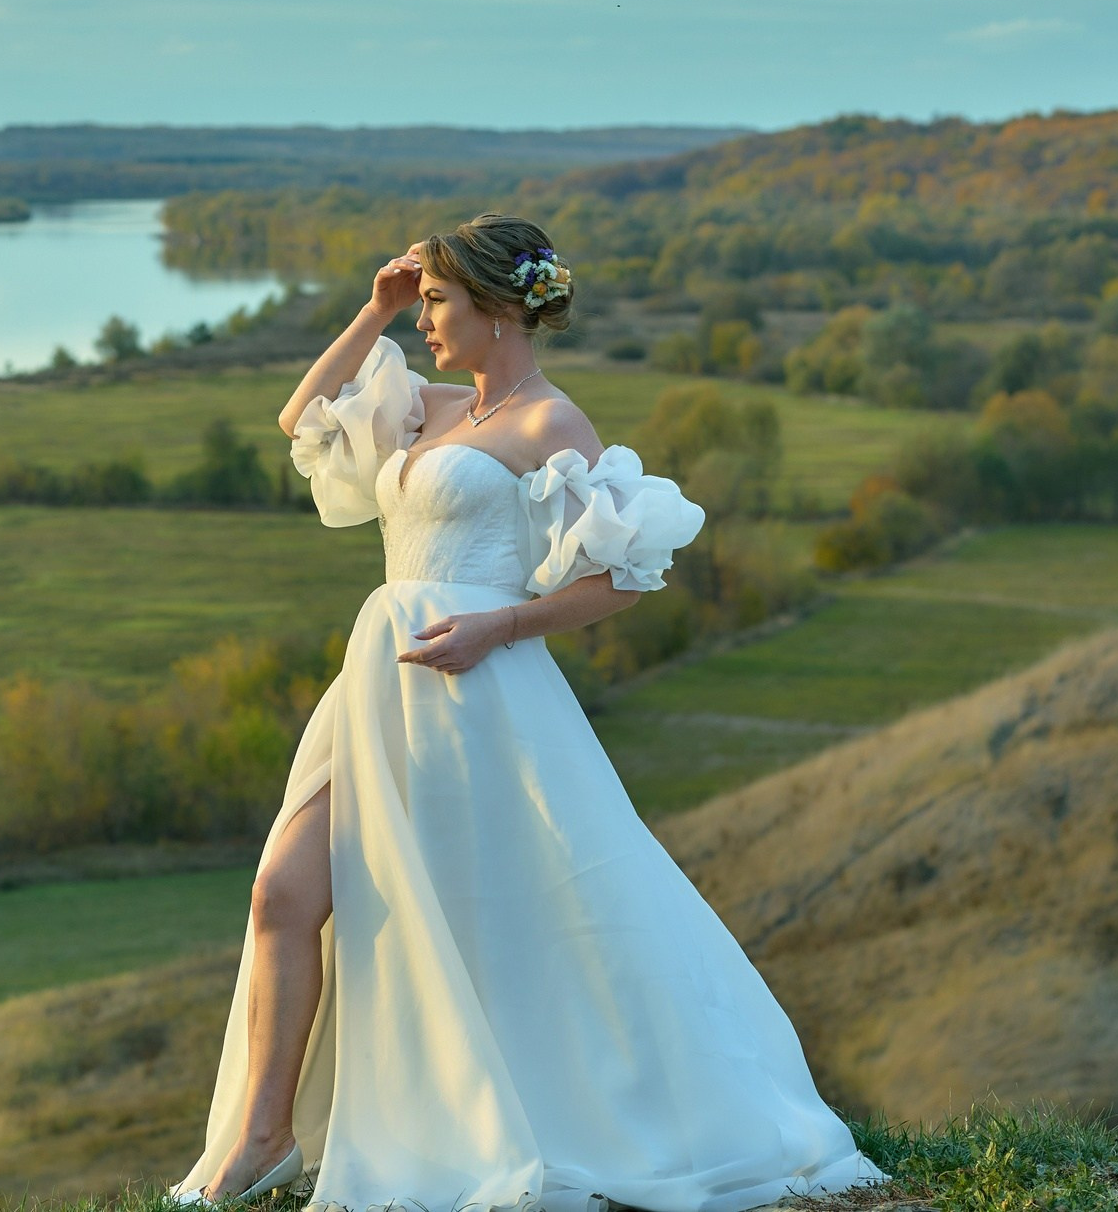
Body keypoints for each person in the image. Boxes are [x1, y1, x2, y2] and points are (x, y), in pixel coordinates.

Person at [168, 214, 885, 1212]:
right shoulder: (424, 407)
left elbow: (623, 578)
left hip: (477, 697)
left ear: (498, 311)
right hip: (378, 687)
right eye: (417, 304)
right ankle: (264, 1137)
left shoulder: (553, 426)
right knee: (281, 896)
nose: (422, 322)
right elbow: (304, 418)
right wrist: (369, 308)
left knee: (494, 927)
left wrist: (497, 627)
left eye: (434, 303)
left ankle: (500, 1118)